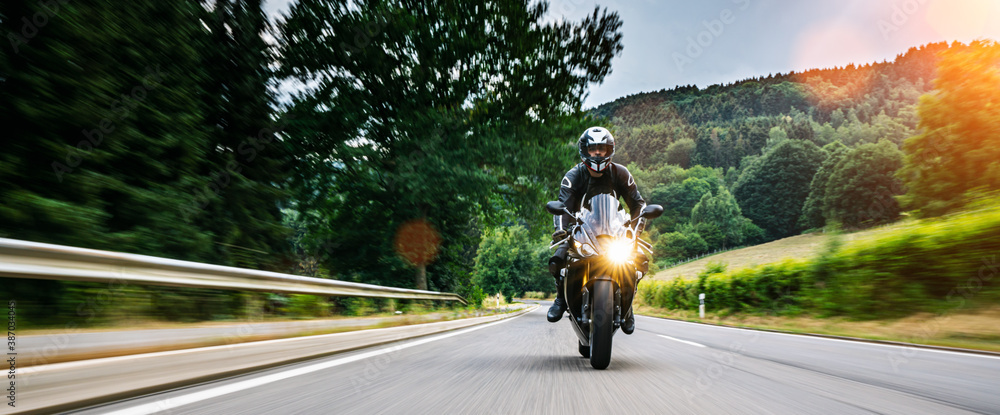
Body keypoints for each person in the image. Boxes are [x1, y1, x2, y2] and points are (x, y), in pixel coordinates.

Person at [547, 126, 647, 334]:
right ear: (585, 150)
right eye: (593, 149)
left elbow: (638, 204)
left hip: (615, 232)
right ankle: (560, 299)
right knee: (557, 260)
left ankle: (627, 308)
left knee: (640, 260)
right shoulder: (573, 176)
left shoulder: (621, 173)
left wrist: (635, 232)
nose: (598, 153)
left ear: (610, 150)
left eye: (602, 148)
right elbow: (563, 206)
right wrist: (561, 230)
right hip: (581, 230)